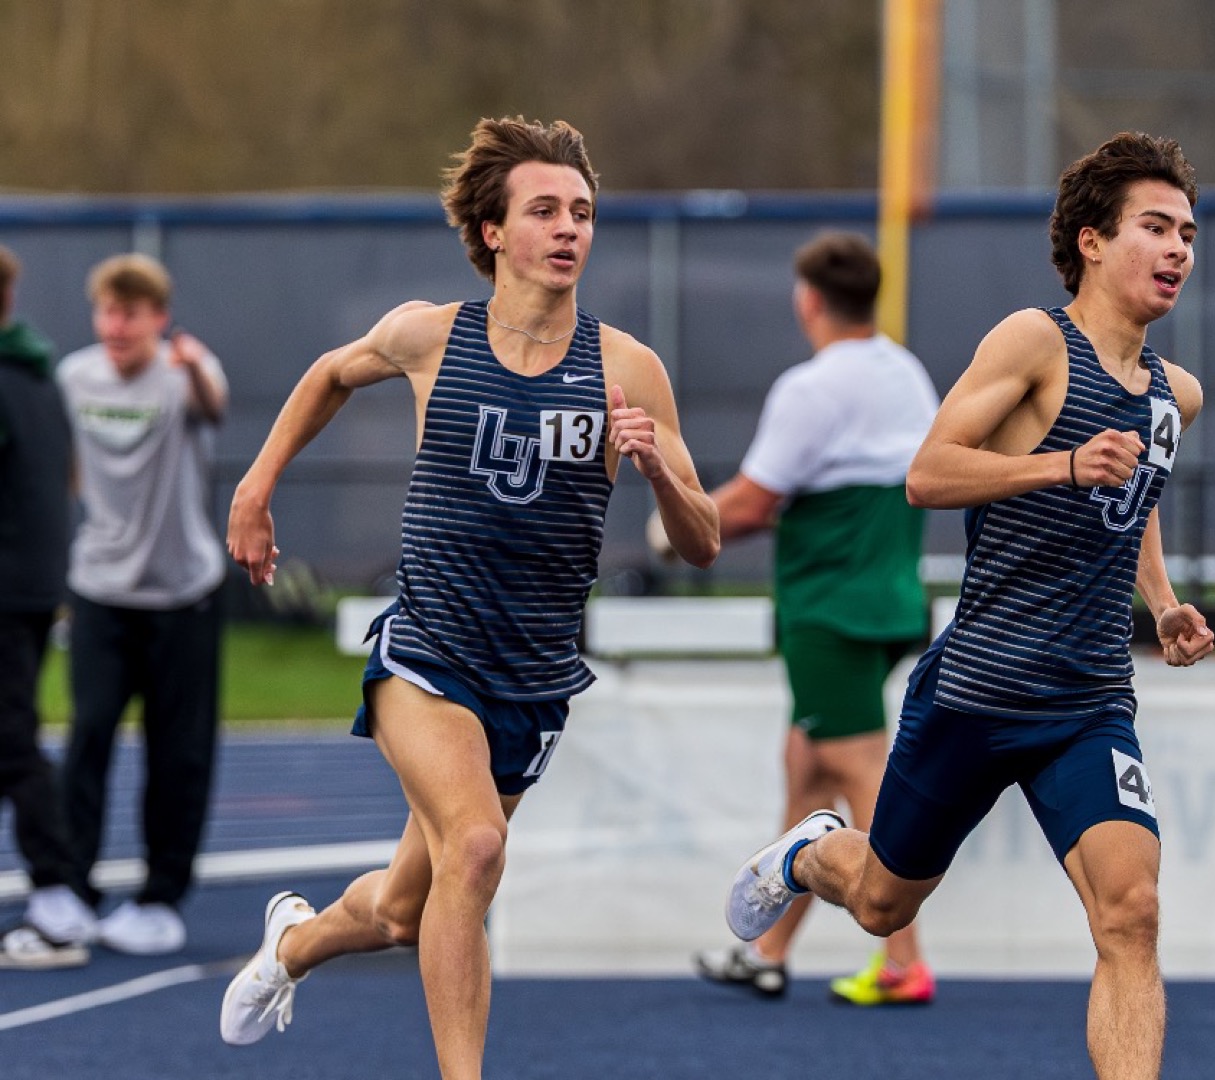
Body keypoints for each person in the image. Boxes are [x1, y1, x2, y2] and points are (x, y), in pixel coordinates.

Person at [216, 117, 720, 1080]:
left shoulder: (628, 368)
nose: (569, 228)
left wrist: (655, 468)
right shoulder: (428, 336)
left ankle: (292, 944)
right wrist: (256, 485)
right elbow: (329, 374)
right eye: (545, 210)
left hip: (531, 680)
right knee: (478, 848)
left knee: (410, 910)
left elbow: (701, 544)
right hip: (428, 654)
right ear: (494, 232)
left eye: (582, 212)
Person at [722, 132, 1215, 1080]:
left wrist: (1161, 602)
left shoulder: (1174, 395)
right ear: (1091, 241)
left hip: (1088, 702)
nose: (1179, 249)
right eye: (1155, 227)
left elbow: (1135, 499)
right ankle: (811, 852)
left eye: (1188, 232)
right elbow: (928, 472)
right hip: (978, 693)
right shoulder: (1034, 342)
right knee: (878, 904)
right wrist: (1062, 463)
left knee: (1132, 912)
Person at [689, 232, 940, 1005]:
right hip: (893, 596)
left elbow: (756, 500)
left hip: (830, 608)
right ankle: (767, 951)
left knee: (861, 771)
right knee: (806, 770)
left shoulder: (811, 387)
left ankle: (903, 958)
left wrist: (678, 526)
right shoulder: (908, 372)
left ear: (809, 301)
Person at [56, 252, 228, 956]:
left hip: (182, 594)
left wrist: (193, 366)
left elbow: (214, 402)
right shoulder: (73, 377)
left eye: (130, 314)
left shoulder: (185, 376)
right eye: (107, 312)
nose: (116, 326)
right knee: (88, 733)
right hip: (99, 589)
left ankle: (161, 897)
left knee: (178, 751)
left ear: (158, 318)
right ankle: (70, 885)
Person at [0, 245, 97, 968]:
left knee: (12, 741)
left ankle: (58, 899)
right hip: (32, 583)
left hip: (8, 589)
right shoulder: (38, 372)